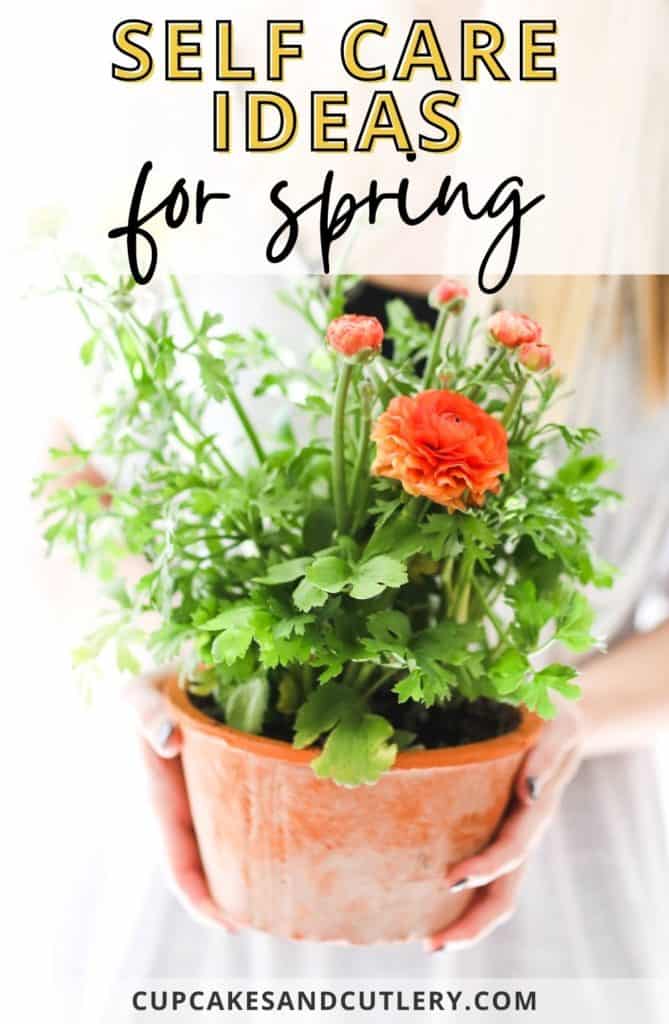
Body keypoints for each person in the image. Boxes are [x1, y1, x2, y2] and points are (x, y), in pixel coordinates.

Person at [121, 275, 669, 984]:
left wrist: (562, 719)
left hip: (545, 858)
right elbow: (68, 471)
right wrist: (158, 670)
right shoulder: (189, 214)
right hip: (224, 828)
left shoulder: (642, 269)